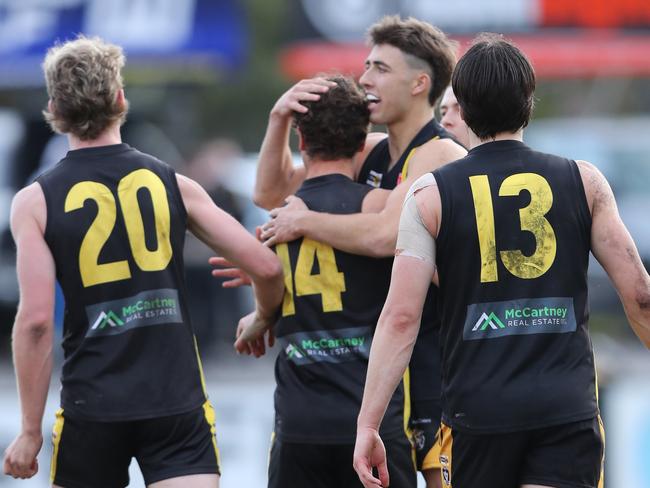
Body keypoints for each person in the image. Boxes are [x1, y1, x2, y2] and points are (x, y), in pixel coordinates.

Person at [353, 33, 650, 488]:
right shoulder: (584, 181)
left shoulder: (430, 194)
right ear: (529, 102)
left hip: (477, 413)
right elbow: (641, 297)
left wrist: (368, 423)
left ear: (463, 110)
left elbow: (400, 318)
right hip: (564, 408)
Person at [2, 35, 284, 488]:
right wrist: (263, 315)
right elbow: (267, 268)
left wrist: (32, 432)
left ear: (54, 108)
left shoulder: (35, 202)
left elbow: (35, 322)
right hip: (175, 401)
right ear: (119, 99)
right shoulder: (173, 182)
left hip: (91, 404)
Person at [253, 16, 466, 488]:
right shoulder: (371, 149)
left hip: (433, 374)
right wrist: (279, 120)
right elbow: (271, 197)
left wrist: (304, 222)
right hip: (386, 372)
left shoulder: (440, 153)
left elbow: (387, 236)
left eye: (379, 68)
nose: (364, 79)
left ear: (419, 83)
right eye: (365, 66)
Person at [230, 75, 415, 488]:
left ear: (301, 142)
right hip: (373, 423)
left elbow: (272, 274)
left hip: (300, 425)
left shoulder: (278, 223)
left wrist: (261, 313)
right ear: (363, 140)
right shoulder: (380, 211)